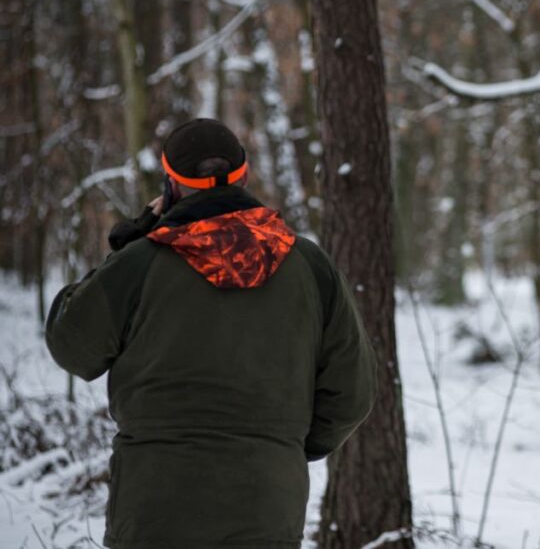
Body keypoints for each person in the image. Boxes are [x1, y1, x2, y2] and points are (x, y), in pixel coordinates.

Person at [45, 118, 377, 549]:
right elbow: (353, 394)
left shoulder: (141, 263)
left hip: (154, 512)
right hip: (267, 509)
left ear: (171, 186)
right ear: (243, 176)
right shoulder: (311, 267)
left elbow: (72, 347)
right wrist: (283, 445)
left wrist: (124, 253)